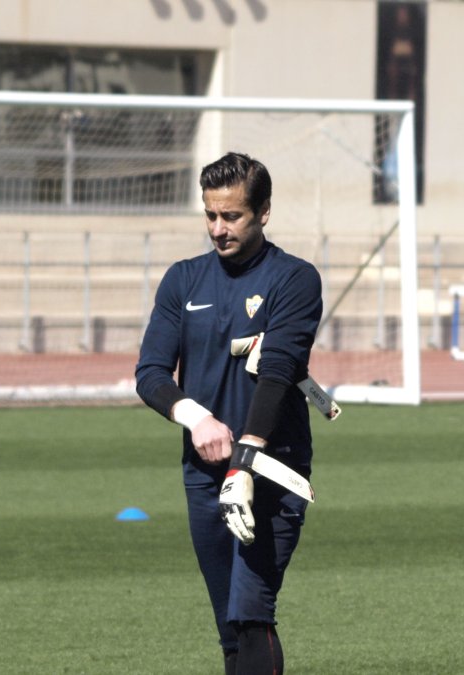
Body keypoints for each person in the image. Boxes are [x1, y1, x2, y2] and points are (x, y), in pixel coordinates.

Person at [135, 152, 322, 674]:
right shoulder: (183, 280)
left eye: (232, 216)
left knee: (251, 612)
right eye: (211, 215)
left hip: (271, 468)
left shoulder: (295, 279)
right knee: (229, 628)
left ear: (263, 212)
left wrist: (246, 459)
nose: (219, 228)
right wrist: (196, 417)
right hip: (204, 472)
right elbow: (150, 374)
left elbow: (279, 370)